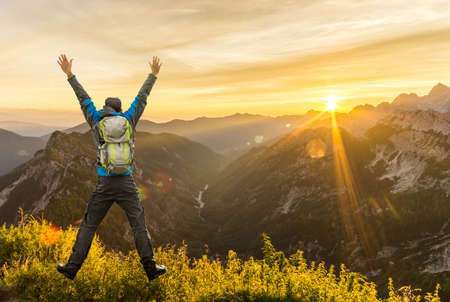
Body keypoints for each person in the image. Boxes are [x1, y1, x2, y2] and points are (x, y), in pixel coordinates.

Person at [55, 54, 166, 282]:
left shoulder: (96, 120)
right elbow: (141, 97)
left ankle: (72, 267)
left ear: (106, 109)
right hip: (126, 182)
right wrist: (153, 75)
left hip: (105, 184)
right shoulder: (128, 120)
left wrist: (70, 74)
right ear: (119, 109)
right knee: (138, 226)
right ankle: (150, 268)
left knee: (89, 225)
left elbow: (82, 97)